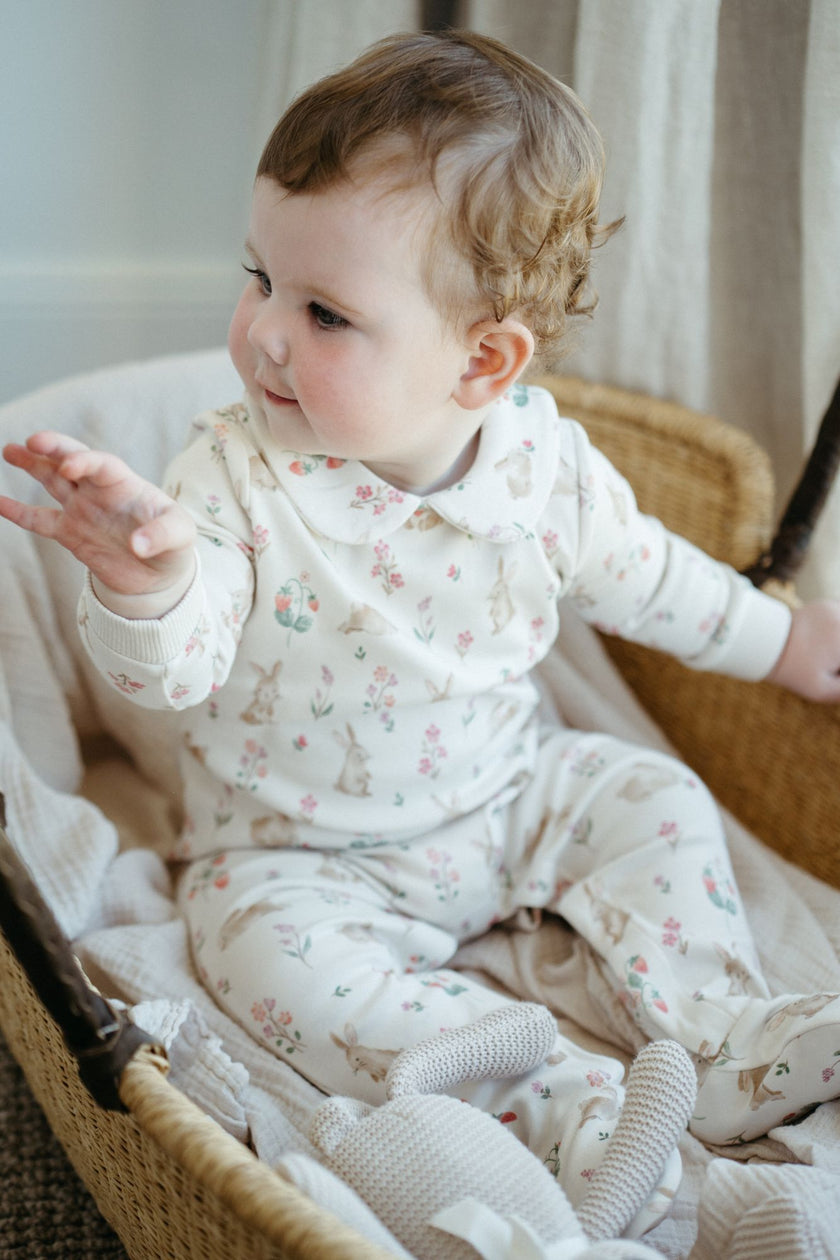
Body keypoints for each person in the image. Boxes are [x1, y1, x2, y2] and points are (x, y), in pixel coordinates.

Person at [2, 29, 840, 1218]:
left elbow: (655, 579)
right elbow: (175, 670)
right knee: (260, 963)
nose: (265, 332)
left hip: (510, 796)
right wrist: (150, 581)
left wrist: (782, 643)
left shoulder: (542, 471)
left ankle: (720, 1040)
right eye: (259, 277)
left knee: (652, 798)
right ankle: (565, 1107)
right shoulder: (233, 476)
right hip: (297, 858)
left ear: (483, 362)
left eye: (326, 313)